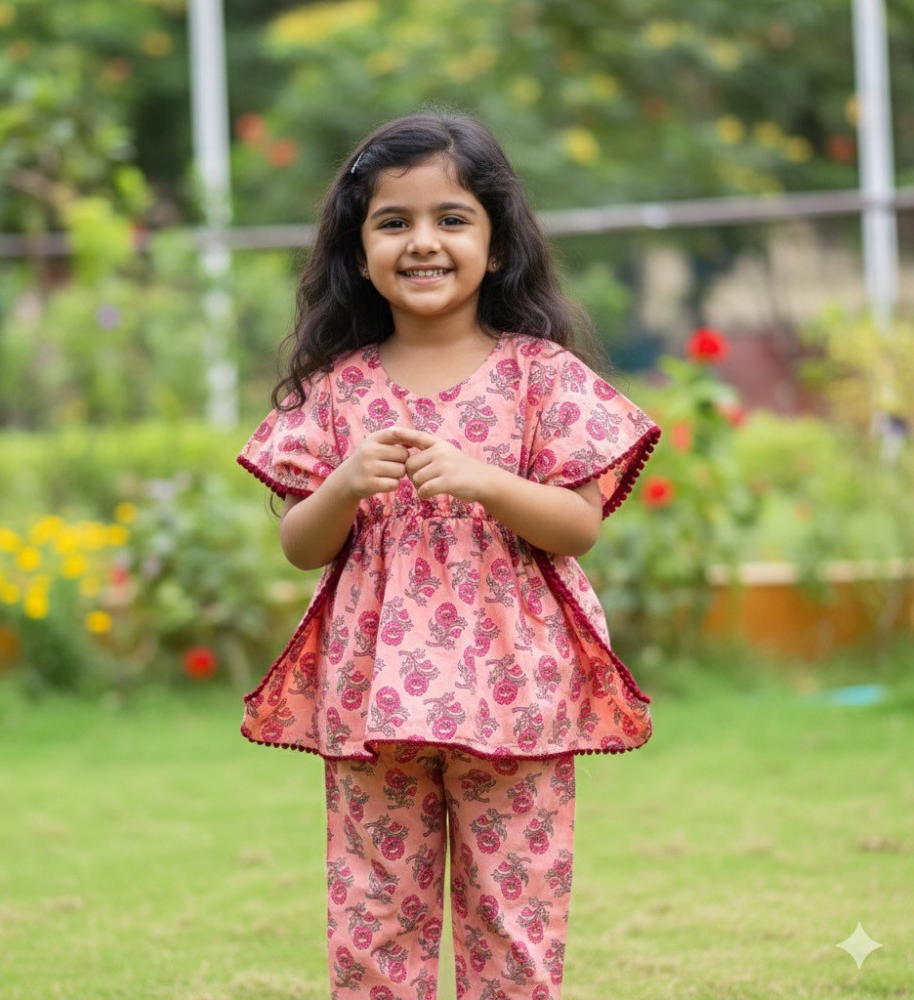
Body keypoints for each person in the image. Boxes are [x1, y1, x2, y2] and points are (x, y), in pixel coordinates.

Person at [236, 111, 661, 1000]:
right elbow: (298, 547)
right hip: (372, 701)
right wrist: (345, 484)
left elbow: (577, 526)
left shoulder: (540, 376)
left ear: (497, 244)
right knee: (372, 919)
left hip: (518, 697)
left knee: (516, 917)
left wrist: (481, 480)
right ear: (358, 251)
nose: (422, 242)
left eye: (451, 219)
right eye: (394, 222)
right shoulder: (336, 391)